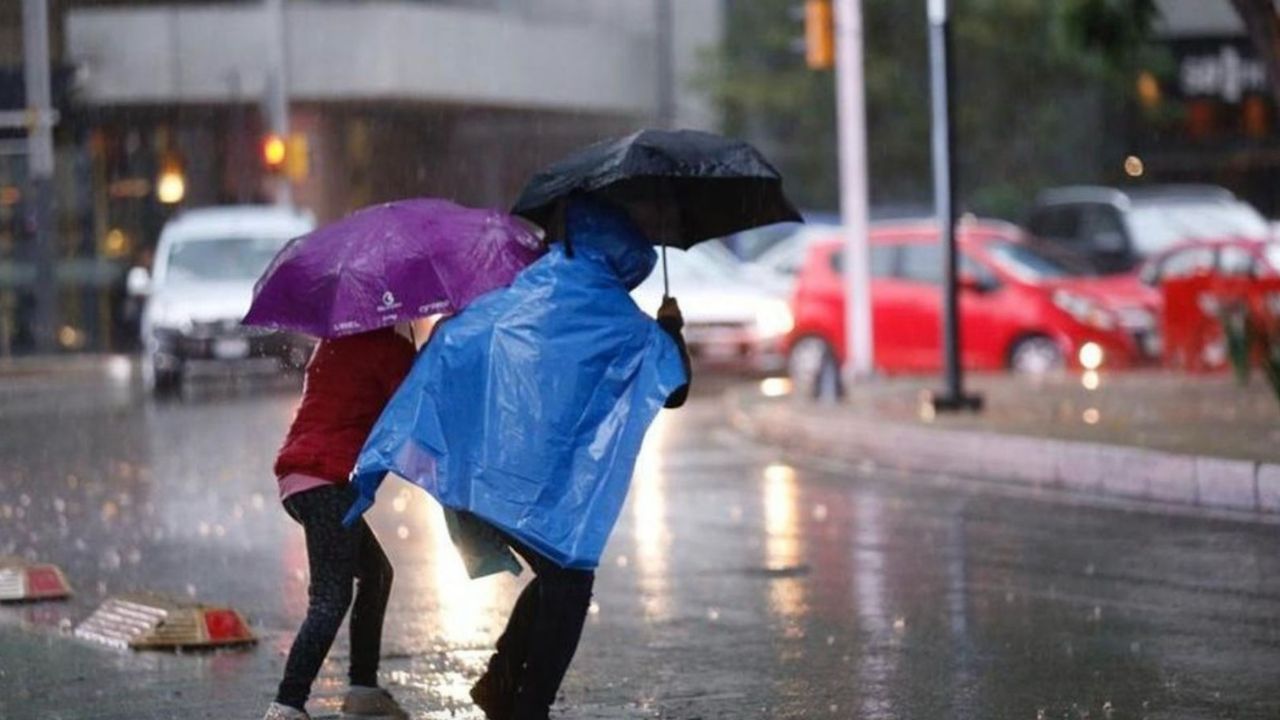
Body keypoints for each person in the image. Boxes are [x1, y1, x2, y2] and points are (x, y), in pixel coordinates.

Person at [344, 196, 691, 720]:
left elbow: (458, 340)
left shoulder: (520, 290)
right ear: (624, 250)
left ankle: (502, 683)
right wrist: (670, 330)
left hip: (485, 484)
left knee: (559, 577)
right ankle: (527, 703)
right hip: (539, 496)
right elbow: (675, 388)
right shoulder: (615, 313)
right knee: (570, 581)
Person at [262, 324, 417, 720]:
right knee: (330, 598)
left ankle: (364, 690)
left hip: (299, 478)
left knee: (376, 573)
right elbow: (414, 406)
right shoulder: (387, 348)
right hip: (325, 480)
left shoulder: (333, 341)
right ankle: (287, 704)